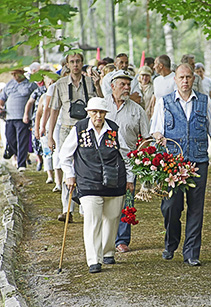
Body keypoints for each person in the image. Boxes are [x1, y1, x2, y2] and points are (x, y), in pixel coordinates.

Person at [150, 63, 211, 266]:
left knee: (196, 207)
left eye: (188, 77)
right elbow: (155, 130)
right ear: (175, 79)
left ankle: (191, 252)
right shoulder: (164, 102)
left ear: (194, 79)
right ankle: (171, 242)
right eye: (181, 77)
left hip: (198, 161)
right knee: (171, 206)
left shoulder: (204, 101)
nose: (185, 81)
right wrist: (159, 138)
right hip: (172, 163)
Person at [59, 97, 133, 273]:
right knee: (92, 221)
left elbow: (126, 155)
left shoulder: (113, 130)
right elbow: (64, 155)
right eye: (94, 112)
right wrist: (69, 175)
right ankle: (94, 259)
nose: (98, 116)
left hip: (114, 182)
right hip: (88, 182)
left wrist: (130, 178)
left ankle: (108, 252)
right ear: (88, 112)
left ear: (106, 113)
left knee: (112, 218)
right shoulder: (79, 129)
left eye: (101, 112)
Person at [48, 51, 102, 222]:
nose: (76, 64)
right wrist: (50, 135)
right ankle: (67, 209)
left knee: (86, 166)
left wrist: (98, 85)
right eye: (72, 62)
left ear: (82, 63)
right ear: (67, 65)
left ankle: (85, 207)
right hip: (66, 128)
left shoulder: (89, 82)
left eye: (78, 61)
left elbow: (101, 103)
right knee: (67, 167)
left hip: (87, 128)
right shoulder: (60, 84)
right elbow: (54, 110)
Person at [105, 70, 150, 253]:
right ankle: (106, 236)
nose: (126, 88)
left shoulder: (137, 110)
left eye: (128, 84)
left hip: (128, 161)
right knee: (106, 199)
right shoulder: (102, 106)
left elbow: (146, 138)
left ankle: (122, 239)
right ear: (112, 86)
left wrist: (141, 157)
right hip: (104, 160)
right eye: (122, 84)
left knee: (127, 200)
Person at [0, 68, 38, 171]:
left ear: (22, 74)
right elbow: (2, 97)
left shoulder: (30, 84)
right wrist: (0, 106)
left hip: (23, 117)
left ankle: (21, 164)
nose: (15, 76)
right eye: (13, 74)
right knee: (10, 138)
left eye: (16, 74)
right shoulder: (10, 84)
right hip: (10, 117)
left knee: (22, 140)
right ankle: (13, 152)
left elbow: (36, 97)